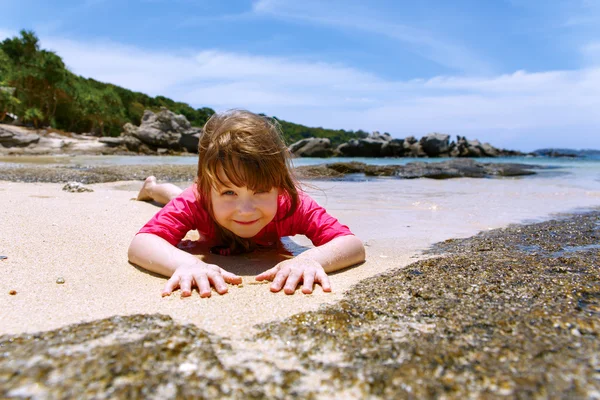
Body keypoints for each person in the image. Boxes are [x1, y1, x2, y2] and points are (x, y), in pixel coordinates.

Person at [128, 109, 365, 297]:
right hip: (194, 200)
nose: (246, 210)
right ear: (207, 188)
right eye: (229, 192)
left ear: (280, 185)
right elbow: (142, 243)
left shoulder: (290, 203)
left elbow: (351, 244)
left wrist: (309, 260)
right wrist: (186, 264)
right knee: (174, 196)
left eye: (261, 191)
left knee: (177, 197)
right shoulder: (196, 200)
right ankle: (151, 187)